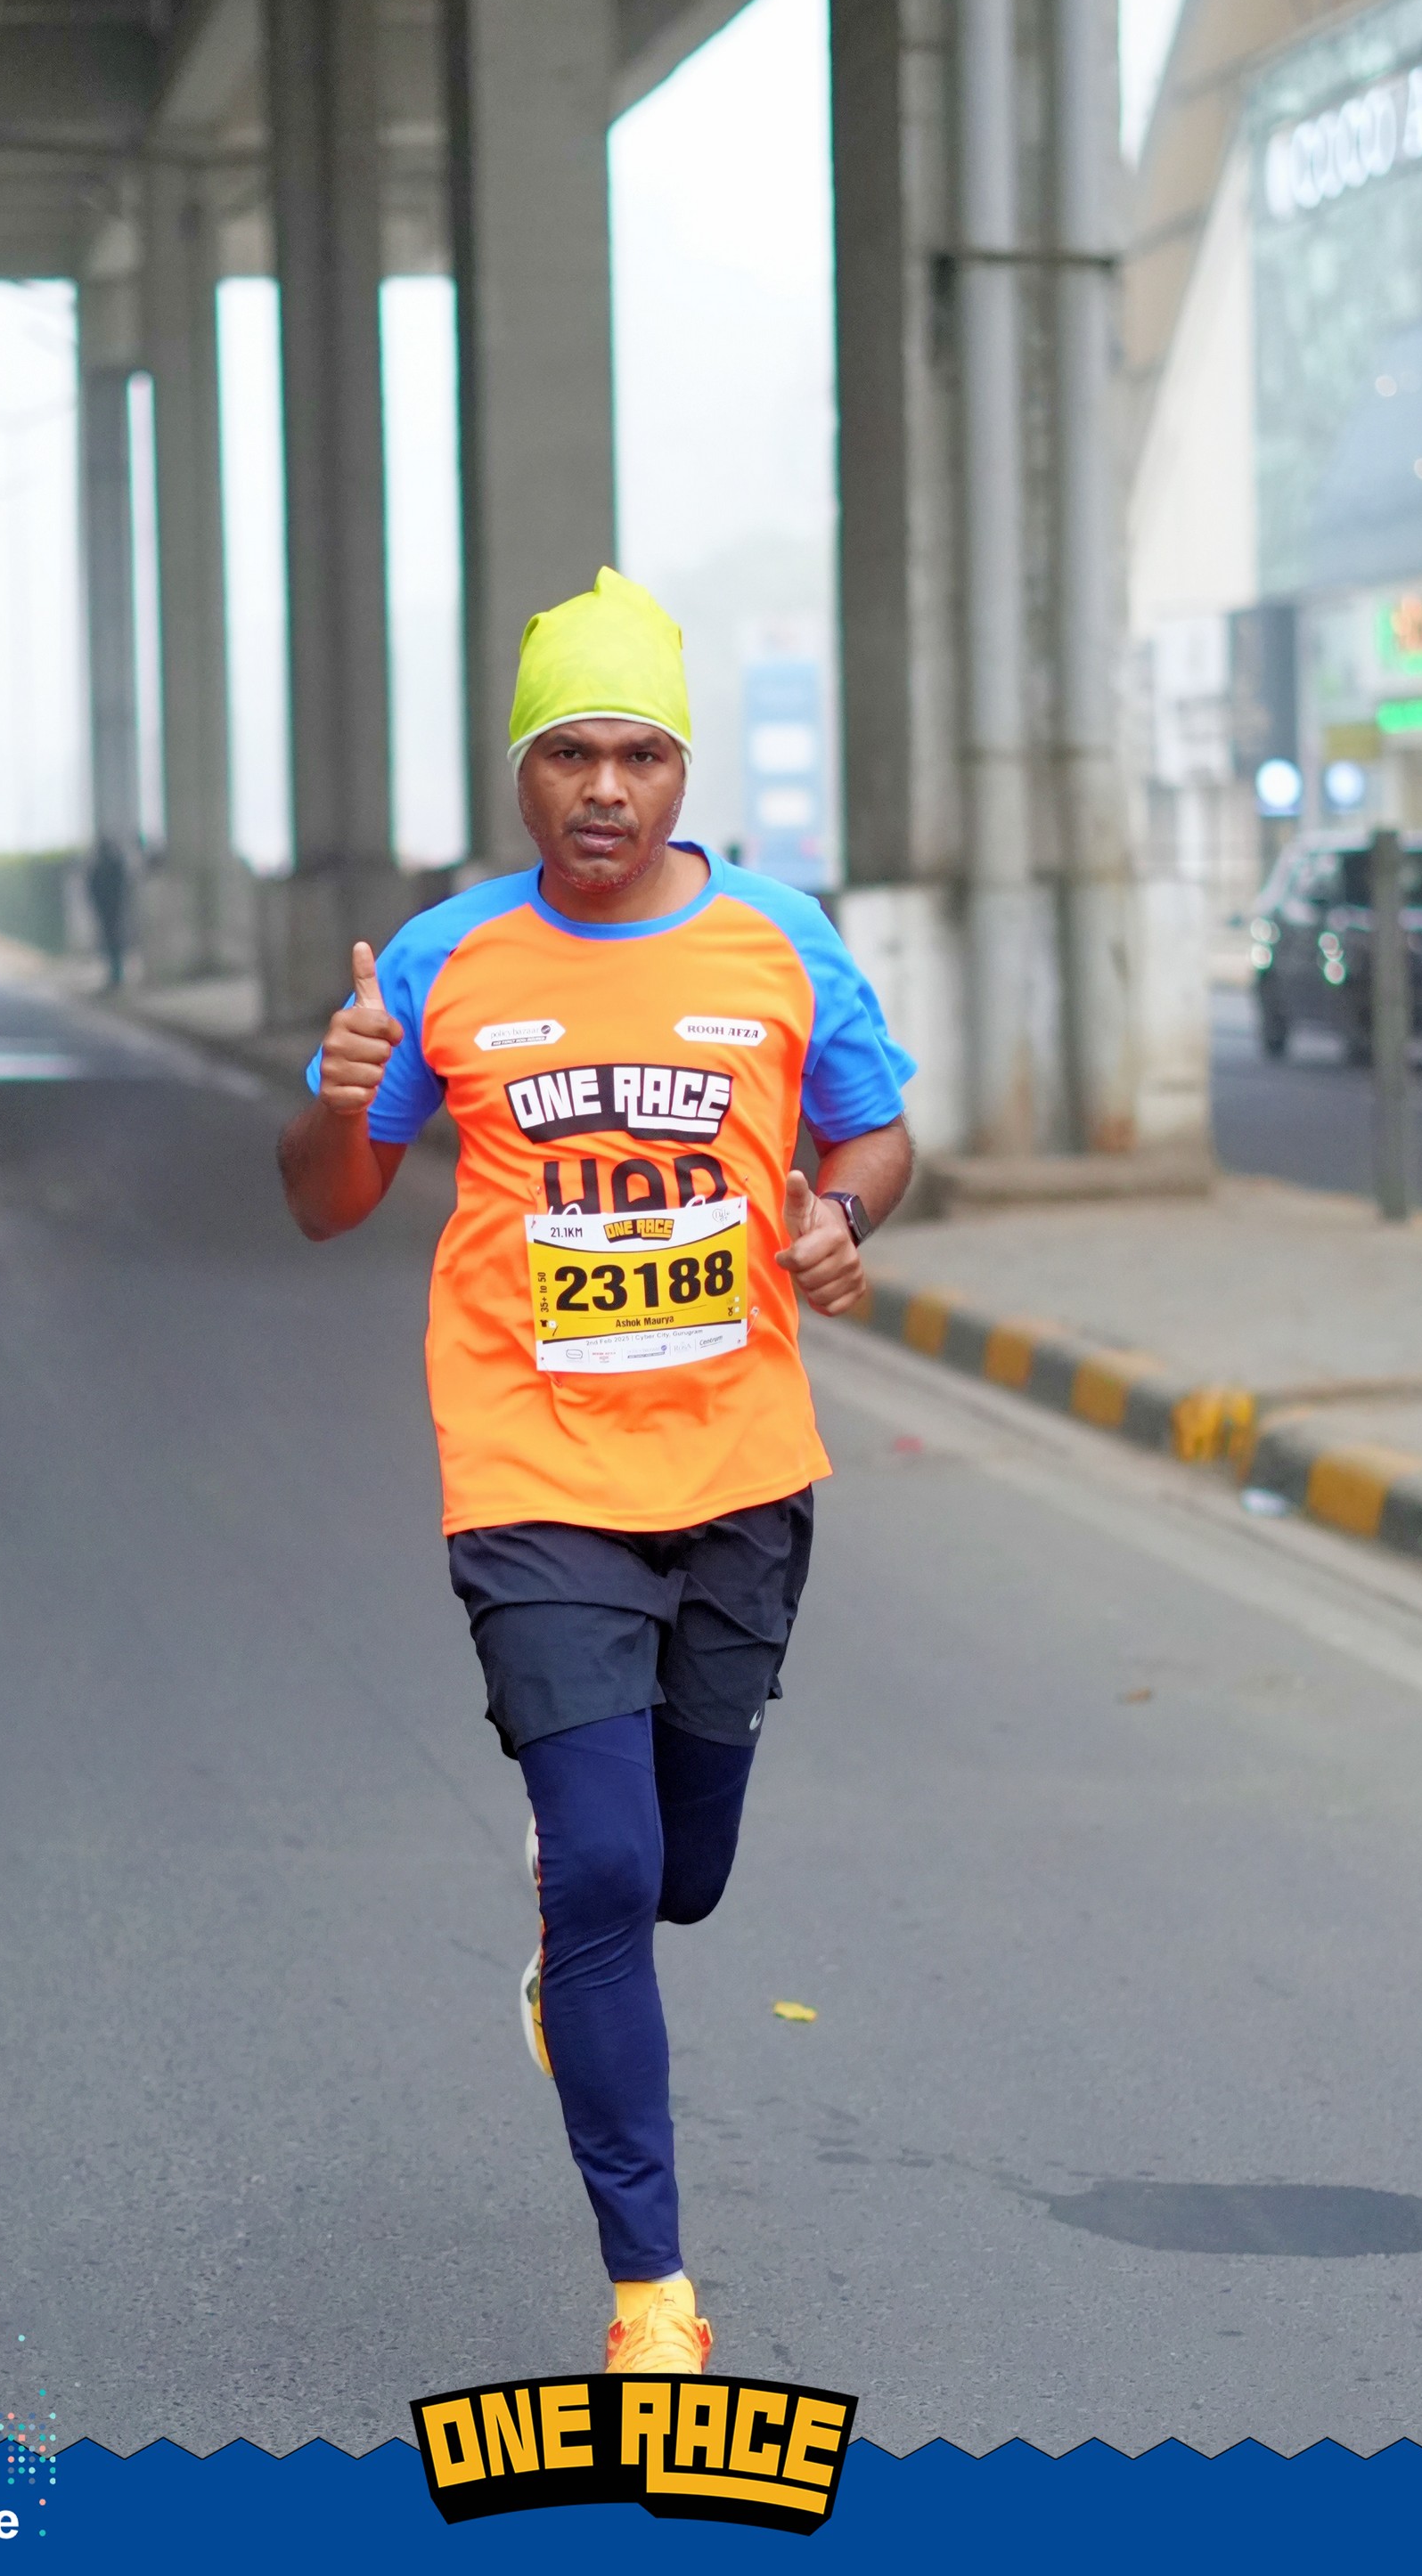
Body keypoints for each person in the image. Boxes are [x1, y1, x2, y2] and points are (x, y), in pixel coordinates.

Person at [279, 569, 915, 2376]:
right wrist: (338, 1094)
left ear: (682, 769)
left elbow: (875, 1132)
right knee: (605, 1871)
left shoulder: (780, 940)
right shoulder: (440, 964)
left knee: (680, 1876)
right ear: (522, 773)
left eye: (639, 753)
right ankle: (652, 2299)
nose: (606, 788)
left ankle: (582, 1957)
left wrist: (841, 1215)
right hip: (531, 1476)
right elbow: (327, 1203)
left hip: (740, 1469)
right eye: (571, 755)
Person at [86, 834, 131, 990]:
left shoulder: (102, 868)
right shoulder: (111, 866)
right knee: (113, 944)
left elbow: (93, 888)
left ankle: (116, 976)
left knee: (113, 944)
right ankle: (115, 975)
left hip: (109, 912)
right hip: (111, 911)